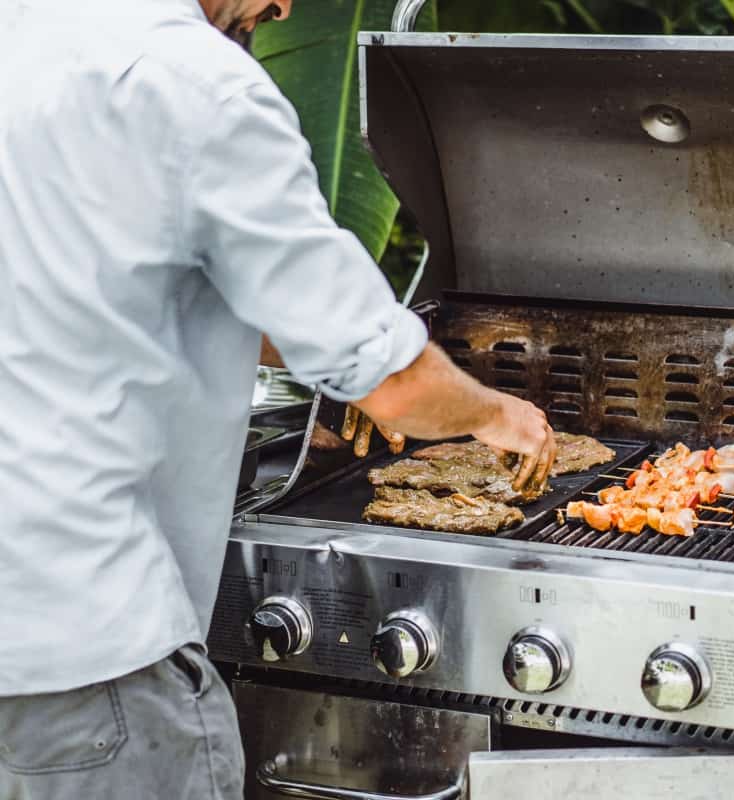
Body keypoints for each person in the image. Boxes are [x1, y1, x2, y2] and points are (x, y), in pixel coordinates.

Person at [0, 1, 556, 798]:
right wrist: (502, 416)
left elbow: (109, 281)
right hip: (95, 652)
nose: (286, 7)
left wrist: (323, 343)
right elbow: (390, 382)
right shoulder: (198, 83)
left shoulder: (21, 37)